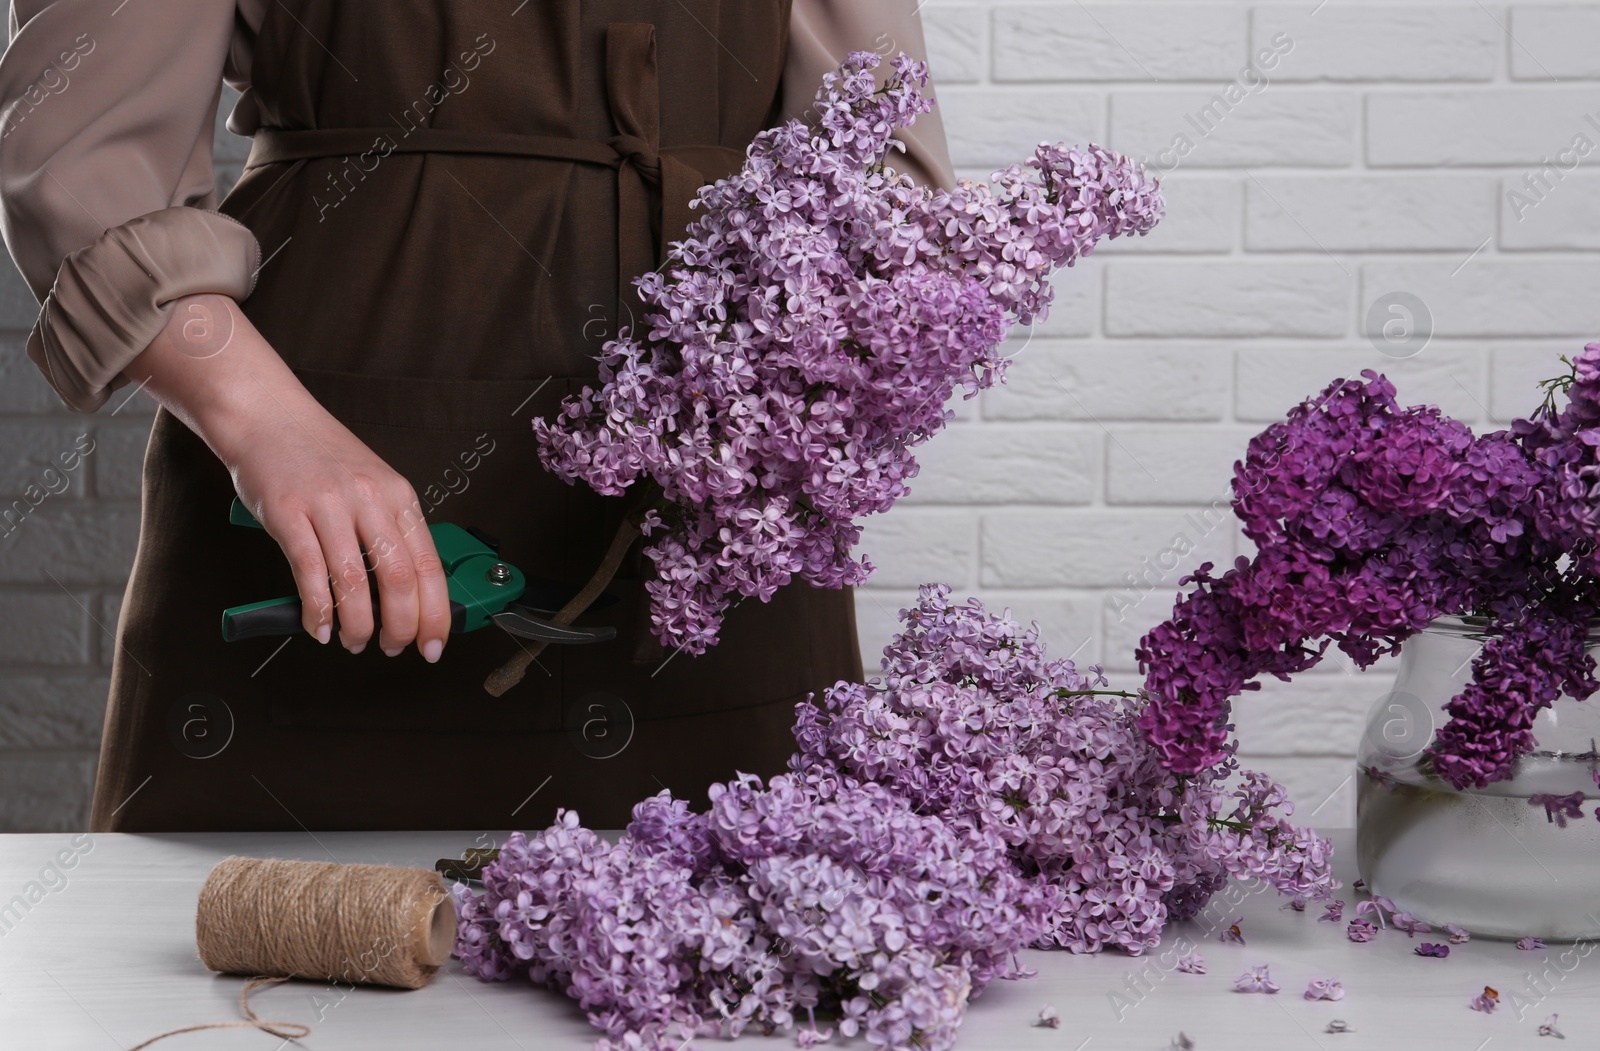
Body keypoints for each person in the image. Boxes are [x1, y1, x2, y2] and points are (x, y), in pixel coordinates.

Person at [0, 1, 954, 832]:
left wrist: (782, 402)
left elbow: (878, 164)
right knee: (253, 980)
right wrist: (268, 426)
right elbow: (84, 159)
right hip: (315, 442)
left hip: (725, 507)